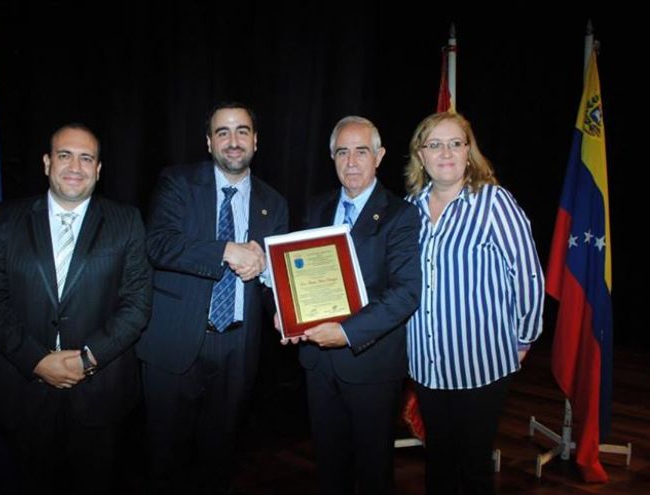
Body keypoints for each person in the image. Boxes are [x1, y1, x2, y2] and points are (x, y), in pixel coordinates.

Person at [0, 123, 152, 494]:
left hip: (101, 395)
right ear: (46, 162)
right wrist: (37, 360)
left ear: (99, 170)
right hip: (24, 392)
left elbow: (136, 305)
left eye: (86, 158)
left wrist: (86, 361)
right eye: (64, 155)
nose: (75, 166)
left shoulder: (127, 221)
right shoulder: (6, 218)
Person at [136, 102, 288, 494]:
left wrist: (285, 312)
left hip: (238, 348)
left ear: (256, 140)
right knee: (165, 461)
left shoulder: (275, 202)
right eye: (223, 132)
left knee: (220, 460)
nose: (233, 141)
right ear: (208, 142)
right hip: (175, 345)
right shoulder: (178, 183)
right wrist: (225, 250)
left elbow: (275, 277)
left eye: (242, 131)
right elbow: (158, 244)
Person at [404, 112, 545, 495]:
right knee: (438, 462)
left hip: (479, 365)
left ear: (469, 152)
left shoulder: (494, 202)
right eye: (435, 144)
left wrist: (523, 340)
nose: (445, 152)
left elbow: (528, 274)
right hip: (425, 364)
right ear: (421, 154)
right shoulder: (409, 208)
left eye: (455, 143)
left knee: (474, 465)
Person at [282, 116, 421, 494]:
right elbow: (296, 273)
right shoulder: (316, 208)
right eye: (343, 151)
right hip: (318, 364)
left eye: (362, 151)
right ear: (332, 157)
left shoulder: (401, 214)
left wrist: (345, 333)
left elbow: (407, 293)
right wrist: (285, 309)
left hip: (371, 362)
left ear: (379, 156)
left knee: (374, 471)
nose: (352, 161)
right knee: (329, 466)